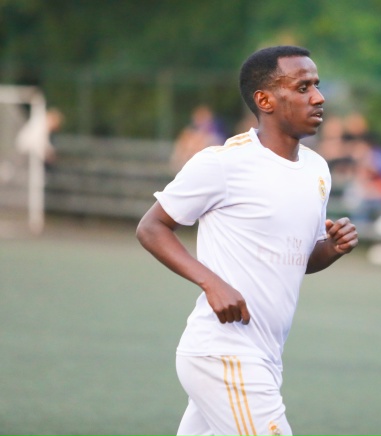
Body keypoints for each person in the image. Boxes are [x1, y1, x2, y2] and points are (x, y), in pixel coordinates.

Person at [136, 45, 358, 436]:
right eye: (303, 87)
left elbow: (297, 259)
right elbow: (151, 227)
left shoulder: (317, 169)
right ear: (265, 100)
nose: (318, 97)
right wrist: (211, 282)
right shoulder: (223, 163)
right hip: (225, 354)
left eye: (316, 85)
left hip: (265, 355)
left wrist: (332, 249)